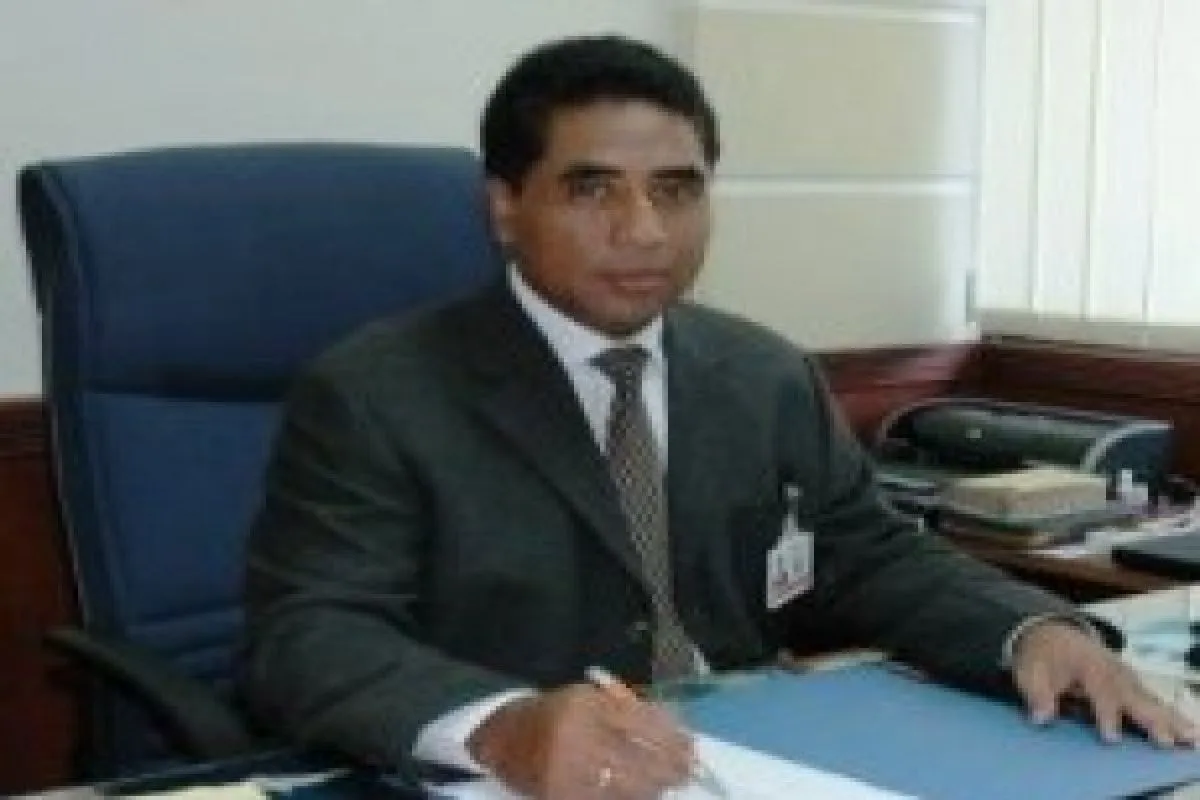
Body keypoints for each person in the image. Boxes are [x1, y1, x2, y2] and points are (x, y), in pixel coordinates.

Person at [243, 34, 1194, 800]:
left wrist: (1033, 632)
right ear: (504, 208)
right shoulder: (379, 390)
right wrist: (499, 724)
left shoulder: (761, 371)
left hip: (752, 761)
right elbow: (312, 634)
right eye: (592, 189)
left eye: (676, 189)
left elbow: (867, 553)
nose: (644, 231)